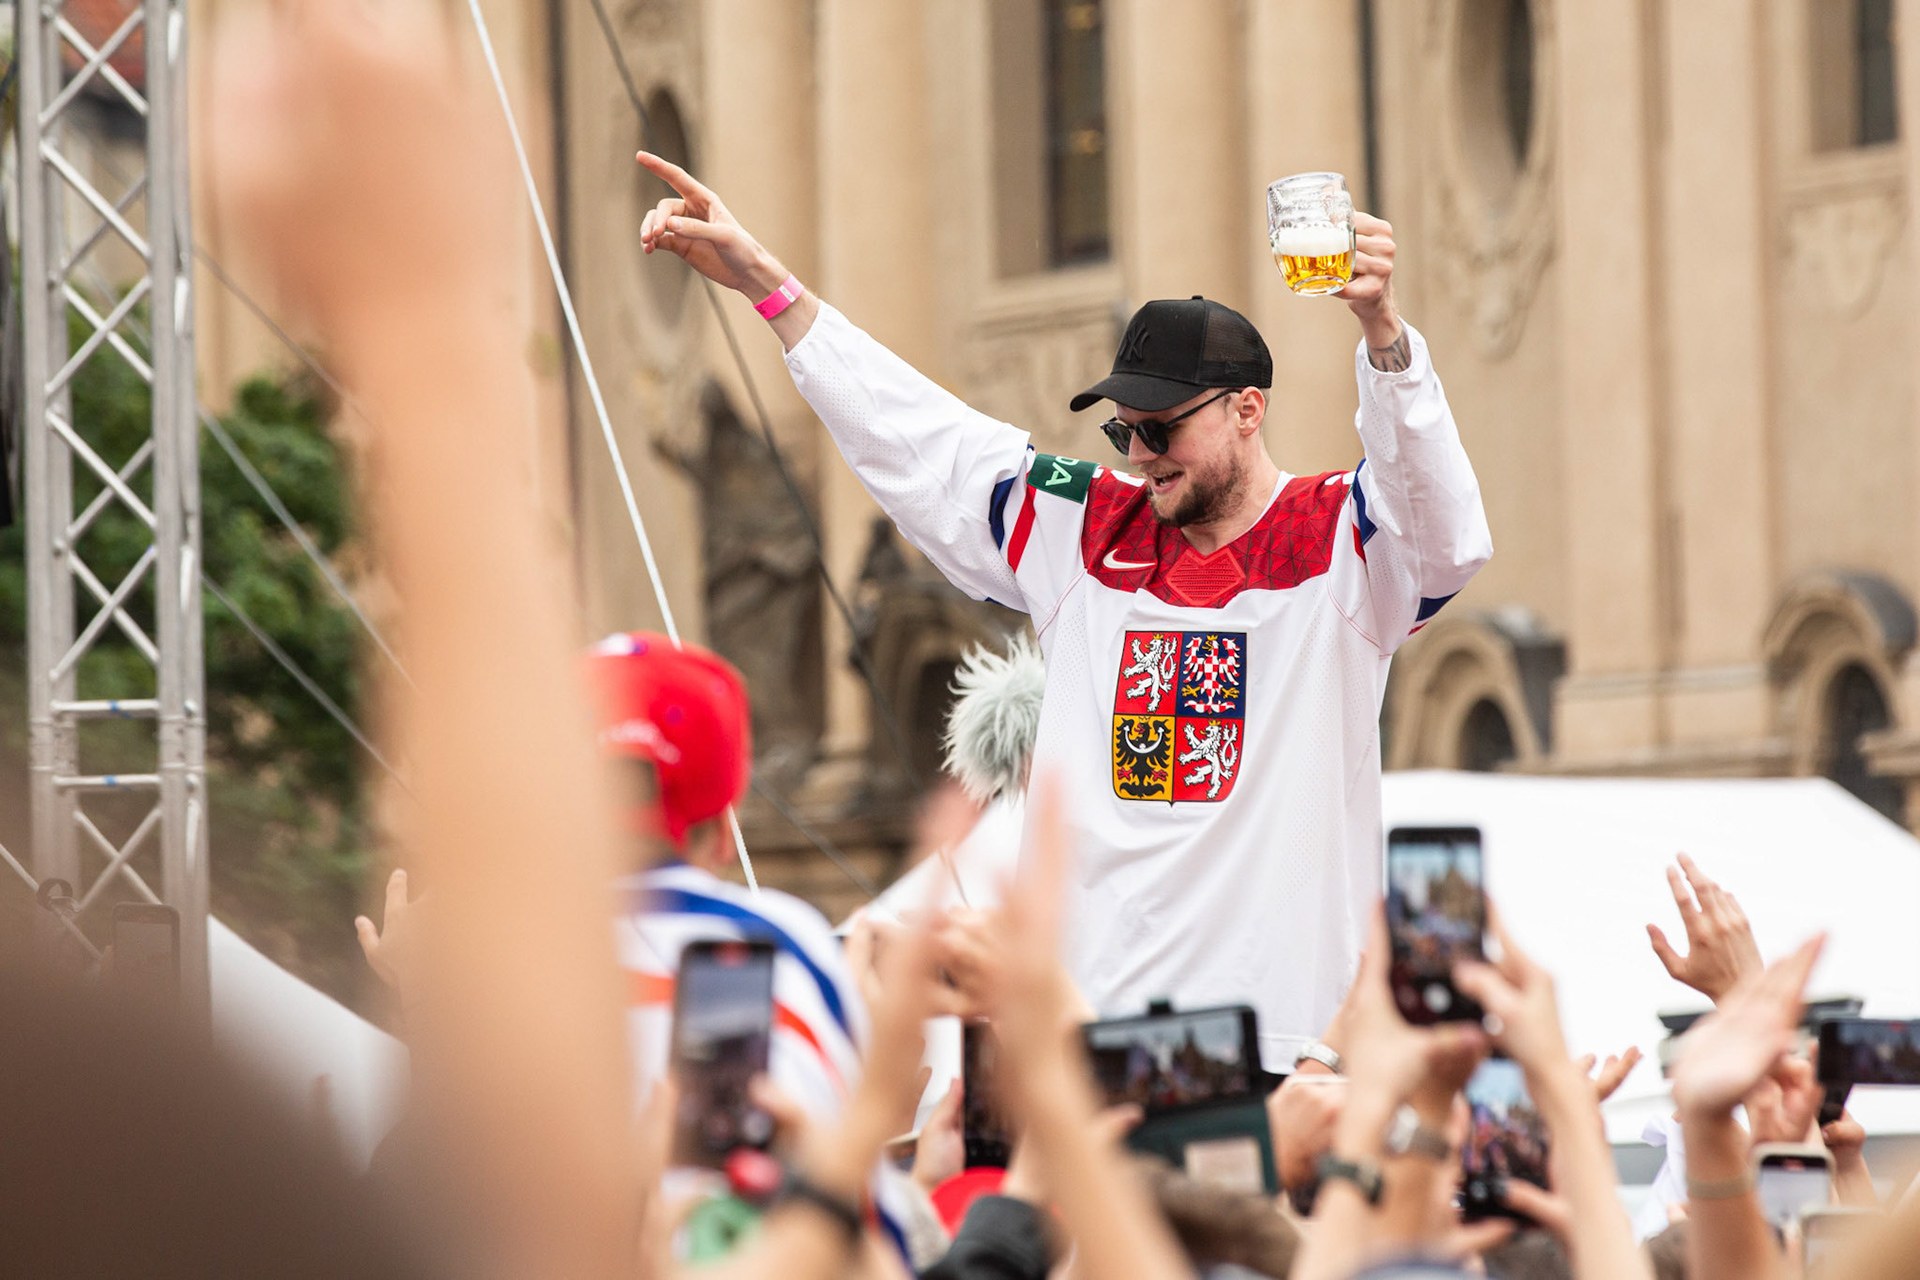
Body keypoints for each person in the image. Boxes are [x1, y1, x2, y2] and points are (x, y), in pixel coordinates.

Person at [636, 152, 1492, 1069]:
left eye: (1161, 427)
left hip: (1285, 1052)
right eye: (1123, 429)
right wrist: (769, 289)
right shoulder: (1083, 526)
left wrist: (1384, 338)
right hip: (1091, 1047)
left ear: (1249, 410)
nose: (1138, 454)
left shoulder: (1344, 542)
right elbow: (919, 436)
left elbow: (1444, 532)